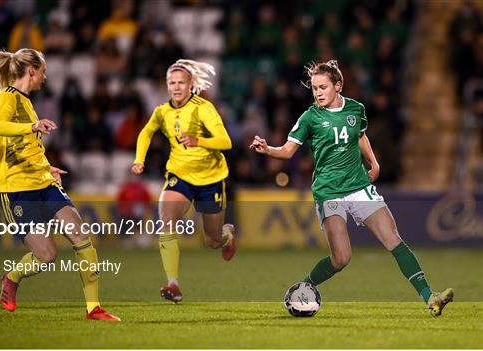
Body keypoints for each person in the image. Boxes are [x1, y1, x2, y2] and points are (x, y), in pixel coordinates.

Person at [250, 60, 454, 316]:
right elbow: (288, 151)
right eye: (314, 88)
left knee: (394, 239)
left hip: (359, 186)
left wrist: (374, 162)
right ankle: (305, 286)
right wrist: (268, 149)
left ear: (338, 86)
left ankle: (430, 297)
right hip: (328, 191)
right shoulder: (310, 117)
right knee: (341, 259)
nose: (318, 93)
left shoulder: (356, 109)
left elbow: (360, 135)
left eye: (322, 87)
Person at [0, 39, 119, 321]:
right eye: (43, 71)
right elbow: (2, 128)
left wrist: (47, 168)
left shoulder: (26, 102)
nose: (45, 77)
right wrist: (33, 125)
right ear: (32, 70)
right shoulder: (6, 97)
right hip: (17, 189)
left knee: (81, 236)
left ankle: (93, 308)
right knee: (47, 255)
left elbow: (30, 147)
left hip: (44, 183)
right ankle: (11, 278)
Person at [132, 59, 236, 303]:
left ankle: (227, 235)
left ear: (191, 85)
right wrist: (139, 159)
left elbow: (226, 141)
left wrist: (198, 140)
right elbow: (146, 132)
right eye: (172, 83)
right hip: (180, 176)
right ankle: (173, 284)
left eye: (181, 82)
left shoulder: (203, 108)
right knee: (166, 221)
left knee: (211, 240)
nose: (176, 87)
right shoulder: (162, 111)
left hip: (211, 178)